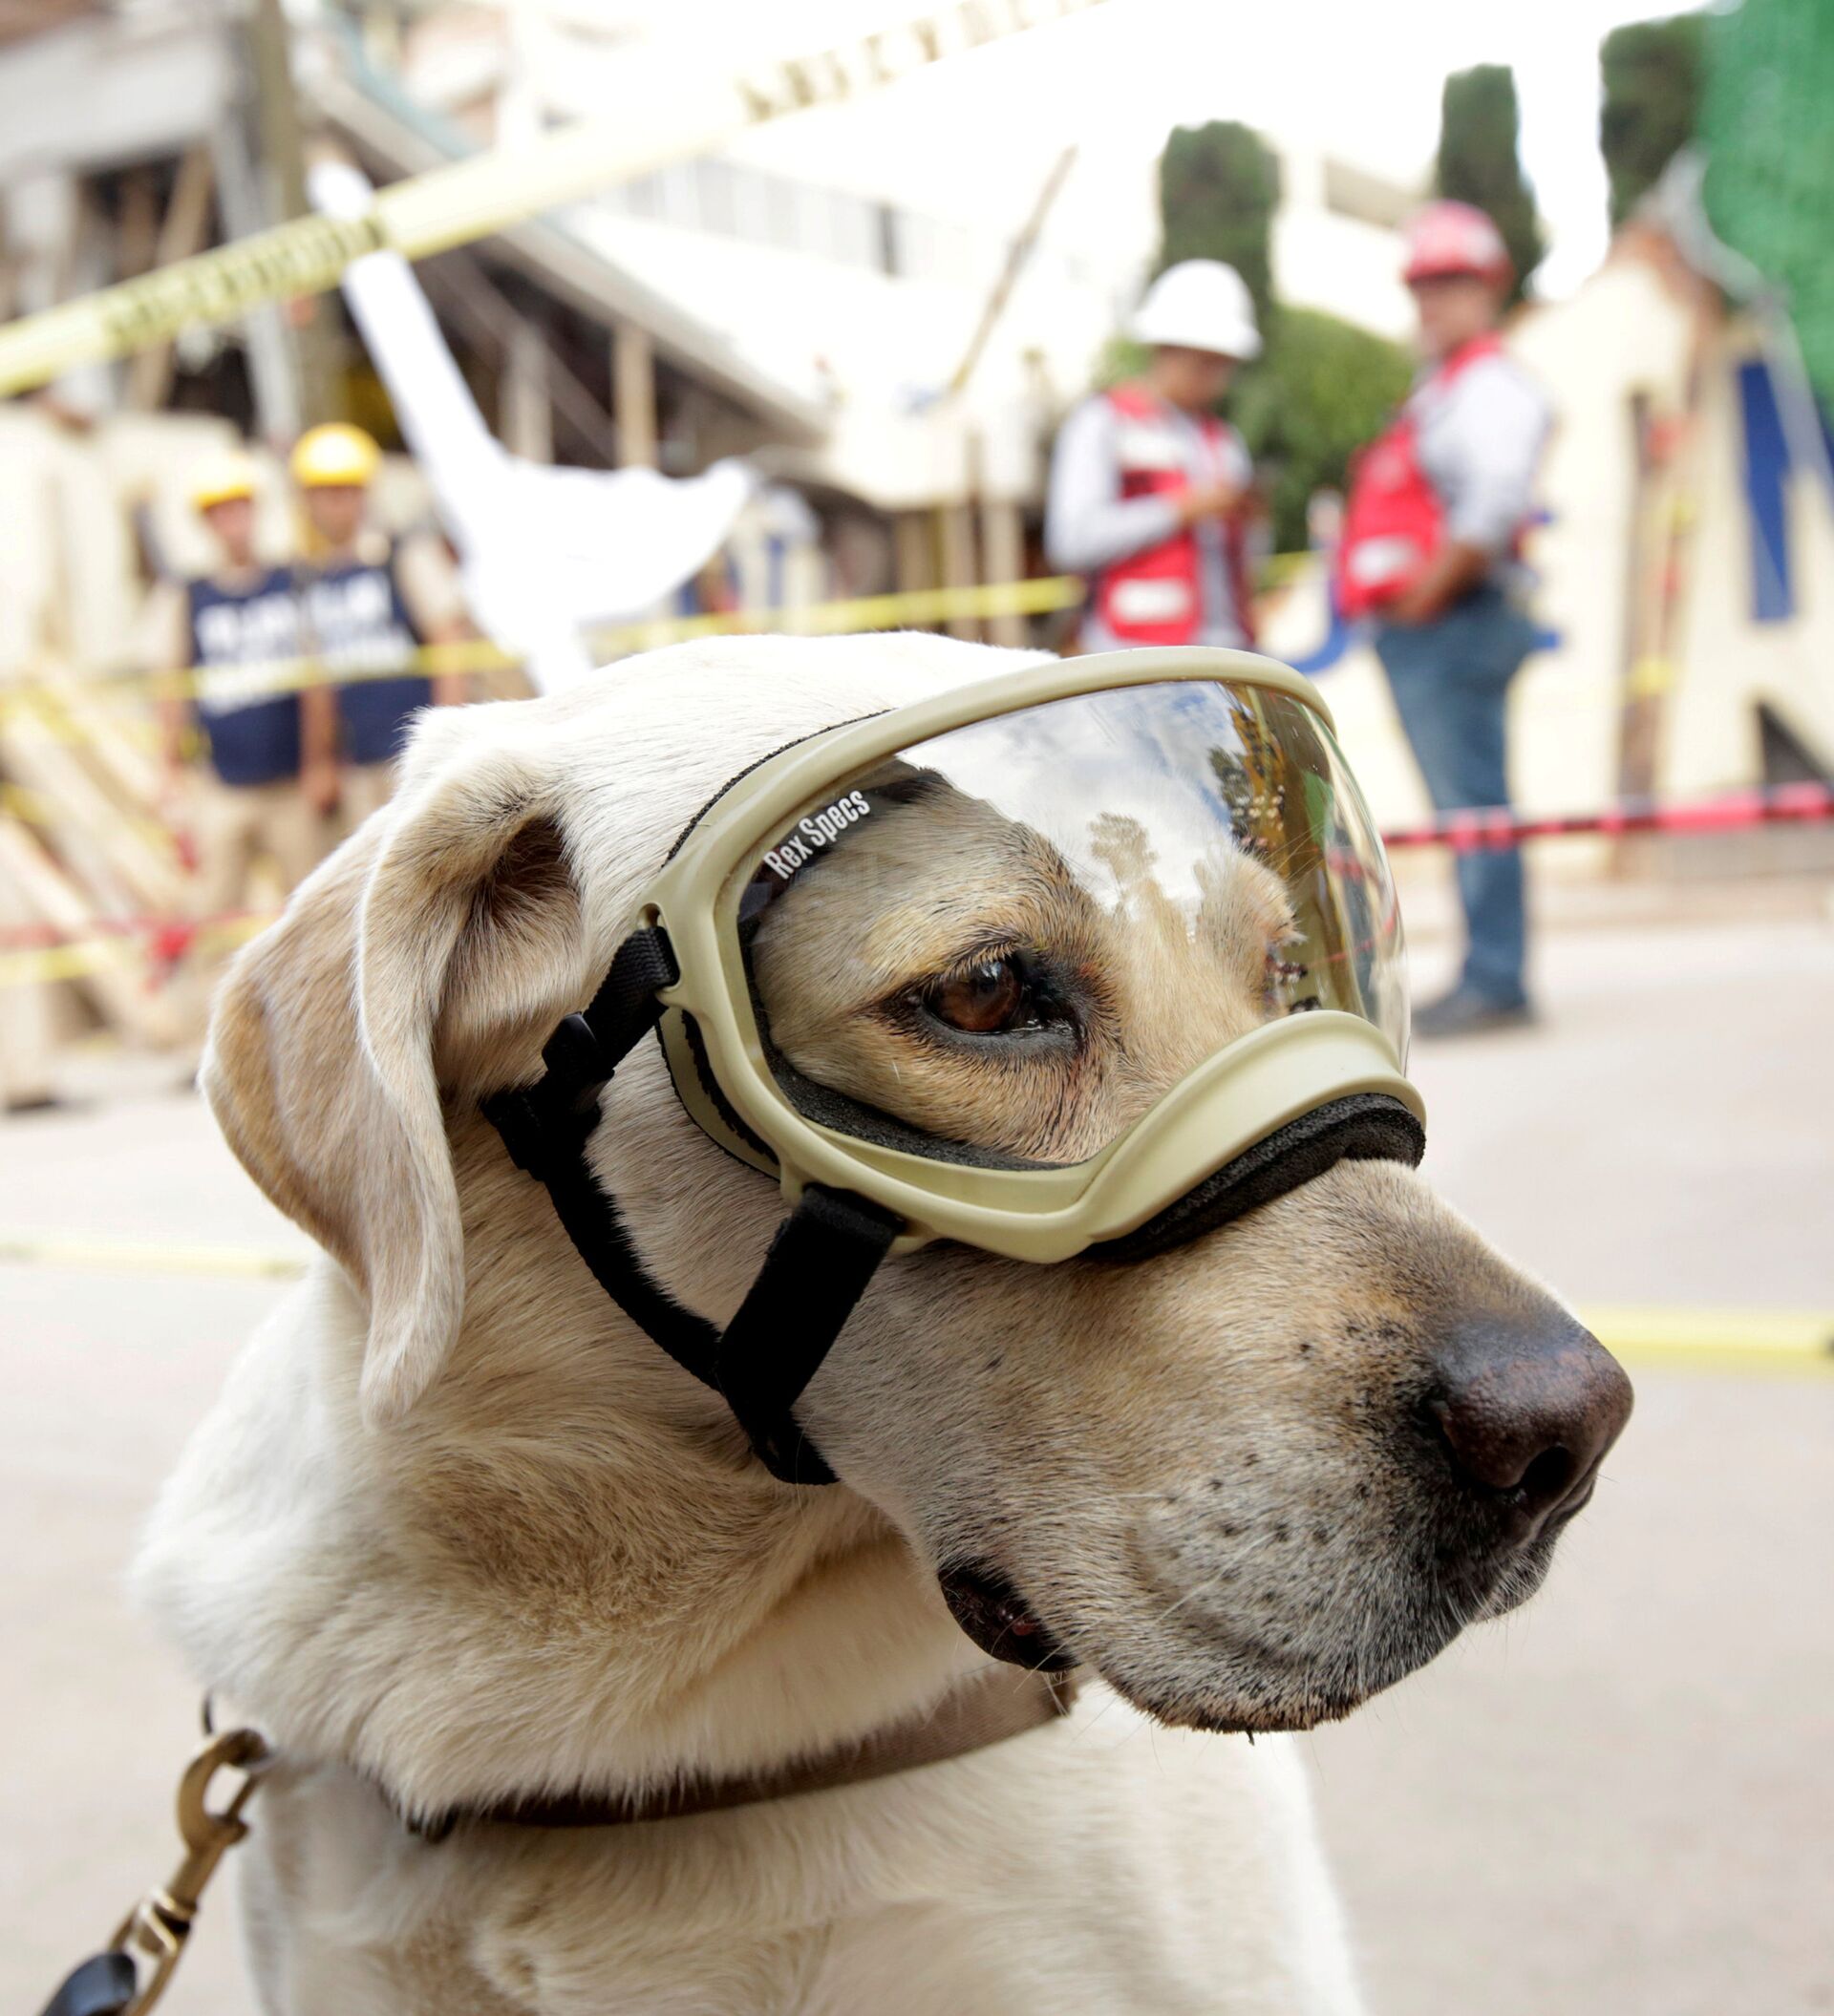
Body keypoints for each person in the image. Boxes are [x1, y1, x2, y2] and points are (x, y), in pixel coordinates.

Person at [1338, 201, 1552, 1036]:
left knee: (1473, 805)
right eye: (1423, 285)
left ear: (1489, 288)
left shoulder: (1489, 386)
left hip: (1457, 621)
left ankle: (1495, 978)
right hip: (1440, 623)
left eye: (1450, 283)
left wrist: (1426, 595)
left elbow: (1491, 507)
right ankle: (1490, 970)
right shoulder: (1445, 386)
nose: (1432, 301)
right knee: (1468, 802)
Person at [152, 450, 338, 962]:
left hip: (290, 784)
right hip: (223, 786)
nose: (232, 522)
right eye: (220, 512)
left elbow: (316, 685)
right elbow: (172, 688)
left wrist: (320, 762)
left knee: (311, 909)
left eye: (239, 508)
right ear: (207, 522)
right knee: (212, 912)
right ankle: (205, 1005)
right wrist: (169, 770)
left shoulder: (290, 583)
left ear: (254, 512)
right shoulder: (189, 595)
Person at [1046, 260, 1263, 651]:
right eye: (1204, 361)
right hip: (1134, 658)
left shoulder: (1224, 441)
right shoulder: (1103, 422)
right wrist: (1178, 510)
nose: (1215, 377)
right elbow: (1071, 541)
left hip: (1224, 653)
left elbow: (1247, 559)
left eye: (1223, 364)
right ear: (1165, 347)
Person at [288, 424, 472, 829]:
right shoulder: (311, 579)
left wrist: (446, 743)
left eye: (345, 490)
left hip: (416, 755)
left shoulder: (404, 554)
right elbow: (317, 682)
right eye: (323, 493)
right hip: (360, 763)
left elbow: (450, 643)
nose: (335, 504)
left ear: (363, 493)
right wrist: (320, 761)